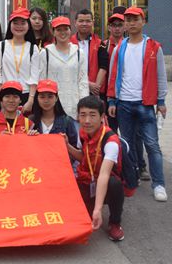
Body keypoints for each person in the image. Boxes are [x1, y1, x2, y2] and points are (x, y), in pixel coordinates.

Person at [107, 6, 168, 202]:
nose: (131, 23)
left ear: (143, 22)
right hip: (124, 103)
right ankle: (132, 177)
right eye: (128, 20)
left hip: (145, 103)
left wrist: (161, 101)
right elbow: (113, 75)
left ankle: (159, 184)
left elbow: (161, 76)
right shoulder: (119, 48)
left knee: (152, 144)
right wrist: (112, 100)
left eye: (135, 19)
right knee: (128, 144)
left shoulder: (153, 47)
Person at [69, 95, 125, 242]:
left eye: (92, 115)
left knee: (114, 184)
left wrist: (98, 209)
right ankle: (89, 206)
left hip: (105, 181)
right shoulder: (83, 133)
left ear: (102, 117)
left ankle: (115, 222)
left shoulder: (111, 141)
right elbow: (83, 157)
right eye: (83, 115)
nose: (87, 120)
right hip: (89, 179)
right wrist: (66, 145)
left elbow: (104, 175)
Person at [39, 16, 89, 121]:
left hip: (74, 106)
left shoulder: (79, 53)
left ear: (70, 30)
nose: (63, 33)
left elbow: (83, 81)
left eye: (66, 29)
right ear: (53, 32)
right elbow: (41, 80)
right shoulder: (46, 53)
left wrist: (84, 107)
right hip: (52, 107)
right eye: (58, 30)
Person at [0, 7, 40, 113]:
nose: (19, 26)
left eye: (23, 23)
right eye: (15, 23)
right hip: (5, 94)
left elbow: (34, 76)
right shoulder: (1, 46)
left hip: (26, 95)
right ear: (10, 25)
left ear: (28, 25)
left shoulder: (33, 48)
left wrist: (31, 100)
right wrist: (1, 97)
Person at [30, 79, 79, 151]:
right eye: (42, 97)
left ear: (56, 98)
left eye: (50, 96)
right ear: (37, 98)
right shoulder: (31, 121)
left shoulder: (67, 121)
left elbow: (74, 148)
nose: (46, 101)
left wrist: (66, 144)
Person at [70, 9, 109, 98]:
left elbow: (103, 67)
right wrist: (87, 84)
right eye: (81, 21)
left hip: (95, 92)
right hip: (73, 90)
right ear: (75, 23)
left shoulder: (100, 44)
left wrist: (96, 88)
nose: (84, 24)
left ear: (92, 23)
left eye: (88, 21)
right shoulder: (69, 43)